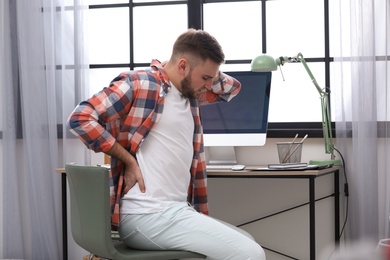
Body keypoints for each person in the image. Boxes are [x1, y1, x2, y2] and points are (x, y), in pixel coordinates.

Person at [67, 28, 266, 260]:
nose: (208, 84)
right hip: (146, 214)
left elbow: (232, 88)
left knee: (247, 243)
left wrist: (208, 73)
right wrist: (128, 159)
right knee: (251, 254)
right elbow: (80, 118)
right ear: (182, 66)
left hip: (176, 211)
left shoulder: (189, 94)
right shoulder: (140, 83)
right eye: (205, 78)